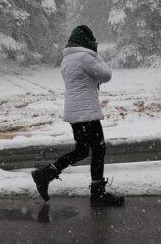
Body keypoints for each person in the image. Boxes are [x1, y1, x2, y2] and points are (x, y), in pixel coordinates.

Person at [31, 25, 124, 207]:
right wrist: (97, 56)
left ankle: (45, 174)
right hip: (86, 112)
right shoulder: (85, 57)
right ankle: (97, 194)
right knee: (98, 149)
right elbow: (106, 75)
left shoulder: (67, 59)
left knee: (82, 150)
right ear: (86, 41)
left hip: (75, 112)